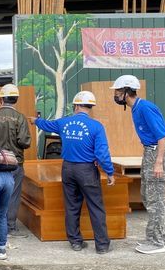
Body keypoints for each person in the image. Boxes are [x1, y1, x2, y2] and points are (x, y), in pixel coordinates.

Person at [30, 91, 115, 254]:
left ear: (76, 106)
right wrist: (110, 172)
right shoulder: (96, 126)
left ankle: (75, 242)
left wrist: (35, 121)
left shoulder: (64, 122)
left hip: (68, 169)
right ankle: (102, 245)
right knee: (96, 207)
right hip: (87, 170)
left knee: (71, 206)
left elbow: (47, 125)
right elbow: (102, 152)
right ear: (90, 107)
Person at [110, 75, 165, 254]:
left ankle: (159, 242)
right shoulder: (135, 108)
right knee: (147, 195)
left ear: (127, 92)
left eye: (118, 91)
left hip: (156, 153)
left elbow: (161, 136)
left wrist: (158, 162)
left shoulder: (145, 108)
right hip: (149, 152)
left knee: (156, 200)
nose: (115, 94)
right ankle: (154, 238)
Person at [0, 84, 31, 237]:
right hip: (14, 164)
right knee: (13, 196)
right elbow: (25, 142)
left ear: (1, 99)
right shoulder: (20, 118)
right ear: (15, 99)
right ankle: (9, 227)